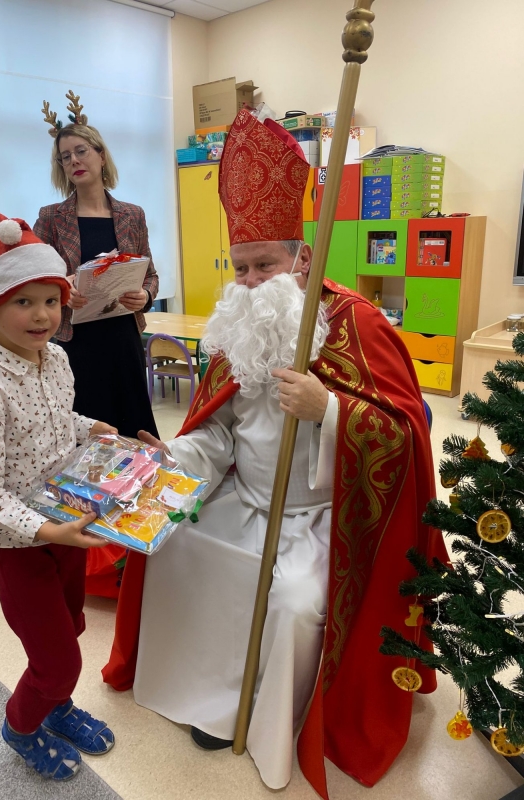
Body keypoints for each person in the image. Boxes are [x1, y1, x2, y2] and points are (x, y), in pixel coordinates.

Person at [102, 109, 448, 798]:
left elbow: (405, 434)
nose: (253, 281)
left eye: (267, 264)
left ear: (303, 259)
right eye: (242, 267)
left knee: (291, 598)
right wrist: (176, 457)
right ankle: (212, 695)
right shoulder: (235, 327)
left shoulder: (356, 323)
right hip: (246, 500)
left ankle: (270, 715)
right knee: (172, 545)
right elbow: (219, 434)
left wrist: (330, 411)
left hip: (324, 519)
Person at [0, 214, 118, 782]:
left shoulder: (58, 359)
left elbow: (56, 421)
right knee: (57, 659)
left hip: (63, 518)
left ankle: (57, 707)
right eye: (23, 302)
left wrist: (90, 427)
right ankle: (22, 727)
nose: (43, 315)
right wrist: (48, 532)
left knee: (71, 627)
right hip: (18, 543)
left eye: (51, 300)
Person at [33, 91, 159, 597]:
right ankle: (92, 551)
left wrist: (143, 294)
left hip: (121, 336)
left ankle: (142, 531)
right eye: (65, 157)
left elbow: (150, 274)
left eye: (81, 151)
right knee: (87, 439)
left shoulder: (131, 214)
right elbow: (37, 278)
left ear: (101, 155)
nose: (74, 161)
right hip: (75, 342)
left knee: (132, 428)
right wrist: (62, 287)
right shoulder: (50, 217)